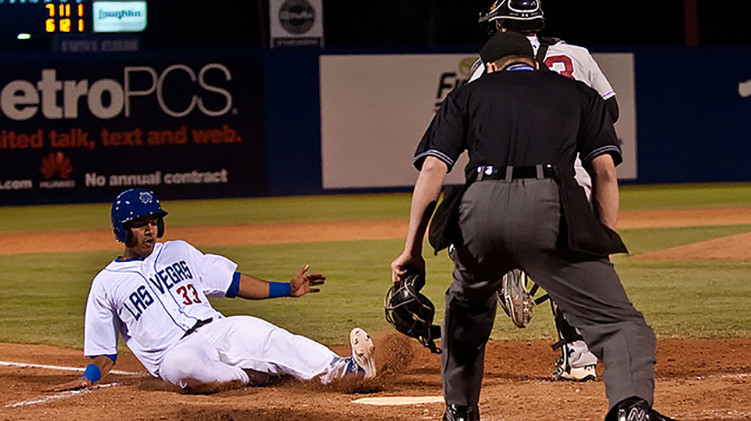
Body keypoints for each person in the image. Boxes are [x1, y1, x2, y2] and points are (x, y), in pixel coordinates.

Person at [391, 31, 678, 421]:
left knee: (466, 308)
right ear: (536, 61)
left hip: (479, 210)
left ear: (489, 67)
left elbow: (432, 169)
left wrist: (412, 250)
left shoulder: (466, 95)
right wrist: (600, 246)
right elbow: (605, 175)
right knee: (619, 323)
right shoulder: (578, 94)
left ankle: (459, 410)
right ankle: (629, 407)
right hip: (550, 207)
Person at [49, 188, 376, 394]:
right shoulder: (106, 283)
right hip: (172, 354)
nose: (150, 228)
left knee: (267, 335)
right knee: (194, 370)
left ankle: (345, 369)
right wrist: (89, 377)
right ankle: (249, 375)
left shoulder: (178, 250)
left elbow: (233, 283)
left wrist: (286, 290)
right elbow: (104, 350)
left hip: (217, 327)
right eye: (140, 223)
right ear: (122, 230)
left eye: (153, 221)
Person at [474, 0, 621, 382]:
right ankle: (580, 358)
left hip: (518, 174)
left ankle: (512, 265)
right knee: (576, 263)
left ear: (505, 26)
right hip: (578, 173)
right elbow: (611, 110)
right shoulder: (577, 54)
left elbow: (476, 113)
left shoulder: (492, 64)